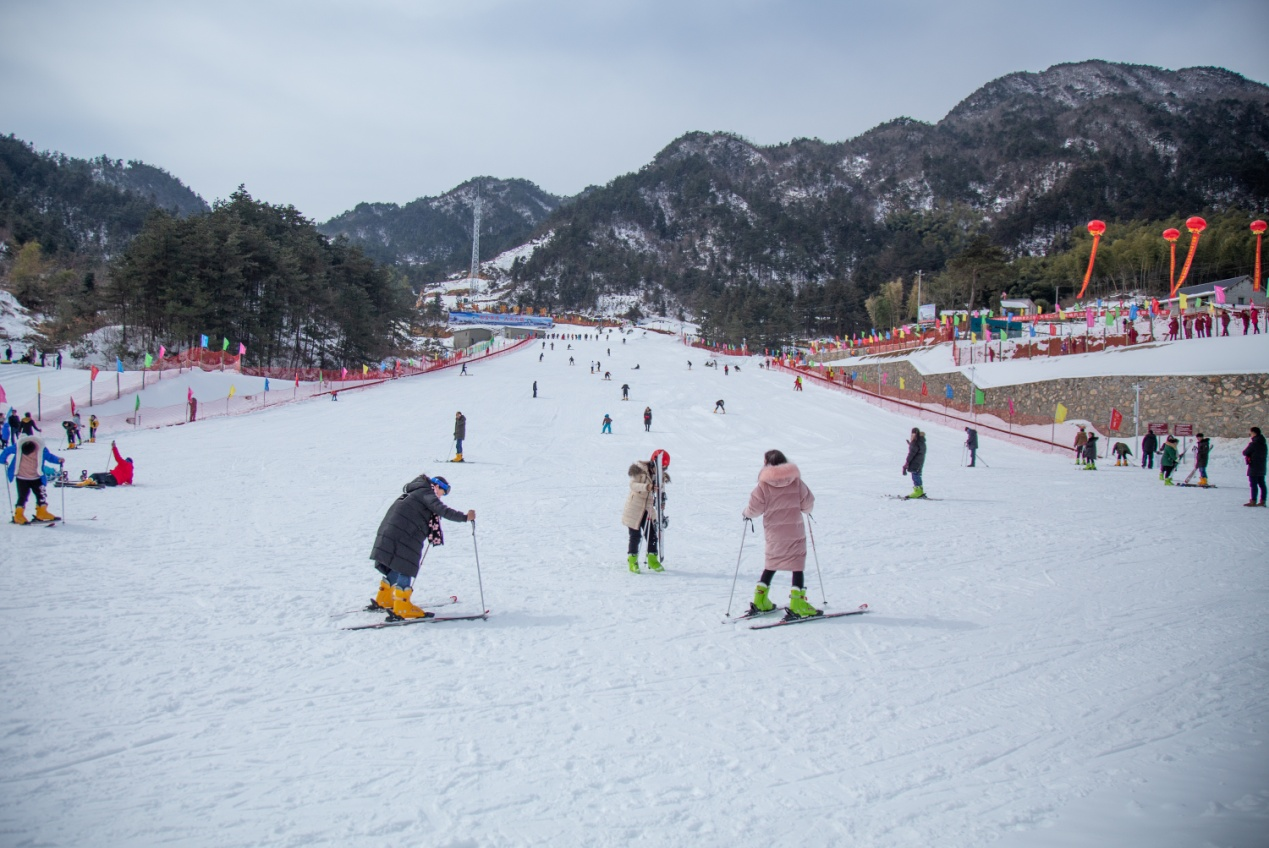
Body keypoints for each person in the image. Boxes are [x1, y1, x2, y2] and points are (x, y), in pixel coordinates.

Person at [367, 474, 475, 619]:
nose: (441, 496)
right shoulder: (426, 493)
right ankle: (402, 606)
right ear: (436, 486)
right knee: (406, 564)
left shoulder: (417, 491)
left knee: (398, 563)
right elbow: (442, 510)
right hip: (402, 534)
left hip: (393, 531)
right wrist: (465, 517)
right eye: (442, 492)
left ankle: (384, 597)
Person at [742, 449, 818, 618]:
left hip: (774, 533)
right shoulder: (797, 482)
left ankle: (760, 600)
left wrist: (746, 514)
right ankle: (798, 604)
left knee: (771, 563)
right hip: (794, 532)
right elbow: (808, 504)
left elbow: (754, 508)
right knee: (797, 565)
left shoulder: (762, 485)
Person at [2, 435, 63, 523]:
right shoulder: (18, 446)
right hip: (21, 477)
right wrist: (2, 460)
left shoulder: (41, 448)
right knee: (22, 496)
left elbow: (49, 456)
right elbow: (6, 451)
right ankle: (18, 515)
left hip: (36, 477)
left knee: (41, 495)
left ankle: (42, 513)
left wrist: (58, 460)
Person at [622, 459, 665, 573]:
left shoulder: (659, 475)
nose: (662, 470)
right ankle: (632, 561)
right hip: (634, 508)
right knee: (635, 536)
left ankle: (652, 560)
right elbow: (633, 485)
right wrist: (647, 487)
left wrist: (662, 502)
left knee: (652, 535)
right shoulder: (639, 470)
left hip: (648, 509)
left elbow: (662, 490)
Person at [1243, 426, 1267, 506]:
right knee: (1262, 484)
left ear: (1254, 433)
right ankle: (1263, 500)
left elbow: (1245, 452)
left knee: (1253, 484)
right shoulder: (1264, 444)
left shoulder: (1254, 444)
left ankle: (1253, 500)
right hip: (1262, 466)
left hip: (1254, 466)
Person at [902, 427, 927, 498]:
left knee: (915, 475)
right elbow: (917, 450)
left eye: (914, 434)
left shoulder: (915, 443)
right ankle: (920, 491)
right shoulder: (921, 441)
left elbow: (911, 454)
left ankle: (918, 492)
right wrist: (911, 445)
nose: (912, 435)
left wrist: (906, 463)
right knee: (917, 475)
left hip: (915, 462)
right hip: (920, 462)